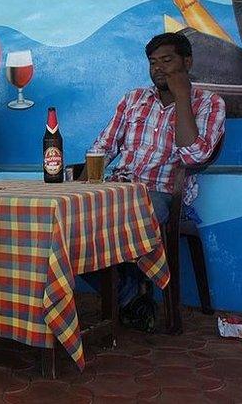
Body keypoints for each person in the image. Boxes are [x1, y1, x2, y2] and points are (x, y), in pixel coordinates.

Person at [90, 31, 225, 331]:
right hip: (118, 188)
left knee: (126, 214)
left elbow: (194, 157)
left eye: (167, 60)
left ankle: (132, 294)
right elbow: (103, 147)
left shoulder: (210, 103)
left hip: (160, 193)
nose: (159, 69)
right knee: (68, 224)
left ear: (187, 62)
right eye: (153, 63)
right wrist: (80, 185)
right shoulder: (134, 99)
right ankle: (130, 297)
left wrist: (182, 98)